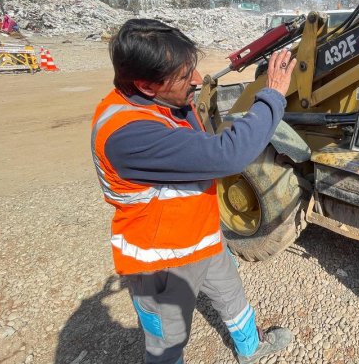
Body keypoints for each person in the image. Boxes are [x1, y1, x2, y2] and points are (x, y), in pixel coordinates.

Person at [90, 18, 297, 364]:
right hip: (160, 263)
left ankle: (251, 348)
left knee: (232, 298)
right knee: (166, 344)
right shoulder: (127, 135)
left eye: (193, 70)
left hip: (203, 240)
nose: (198, 80)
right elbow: (228, 154)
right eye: (186, 76)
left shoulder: (162, 103)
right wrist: (272, 94)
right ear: (145, 84)